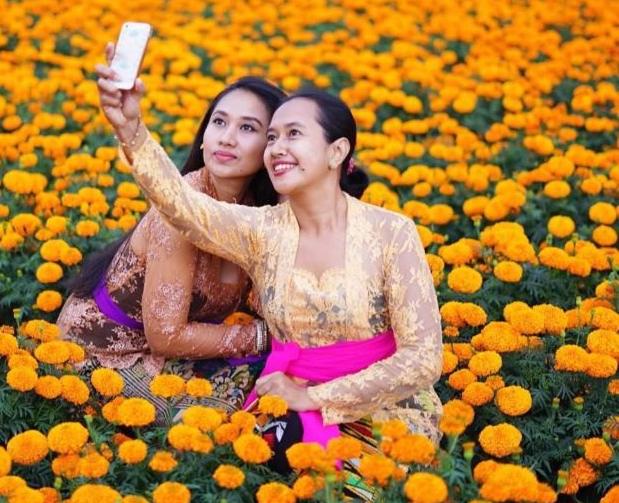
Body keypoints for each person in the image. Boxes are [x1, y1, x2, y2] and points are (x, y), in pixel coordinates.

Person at [97, 66, 443, 475]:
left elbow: (424, 358)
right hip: (287, 397)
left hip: (387, 407)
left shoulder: (391, 233)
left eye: (293, 134)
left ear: (337, 152)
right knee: (271, 470)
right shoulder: (263, 231)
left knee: (364, 501)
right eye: (273, 137)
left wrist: (318, 398)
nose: (277, 147)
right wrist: (131, 129)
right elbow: (183, 206)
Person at [58, 65, 286, 424]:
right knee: (218, 420)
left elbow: (263, 301)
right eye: (219, 122)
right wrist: (264, 337)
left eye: (247, 128)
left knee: (281, 380)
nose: (227, 138)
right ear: (203, 135)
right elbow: (166, 336)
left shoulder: (255, 213)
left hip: (167, 349)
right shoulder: (180, 210)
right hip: (100, 352)